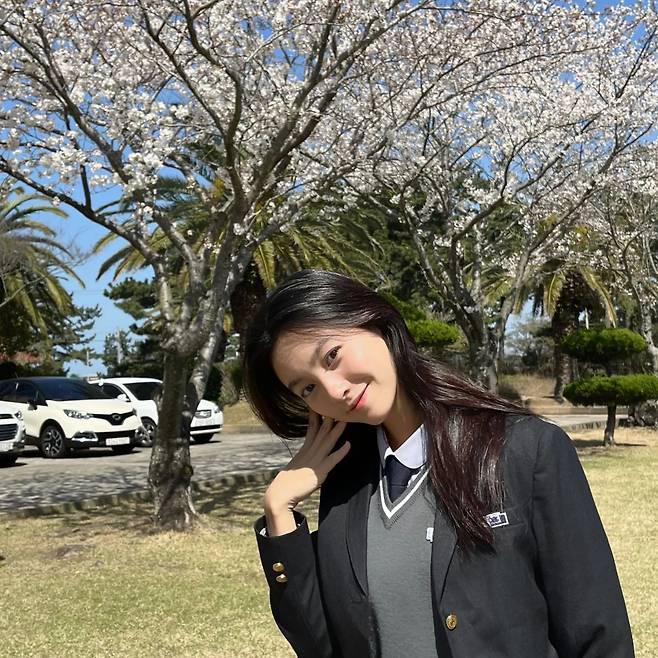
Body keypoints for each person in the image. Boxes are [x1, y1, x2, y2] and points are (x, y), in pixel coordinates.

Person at [242, 269, 634, 658]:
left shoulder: (523, 449)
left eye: (332, 356)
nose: (334, 390)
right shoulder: (347, 485)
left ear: (372, 319)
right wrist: (279, 512)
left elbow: (597, 634)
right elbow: (323, 646)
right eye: (308, 388)